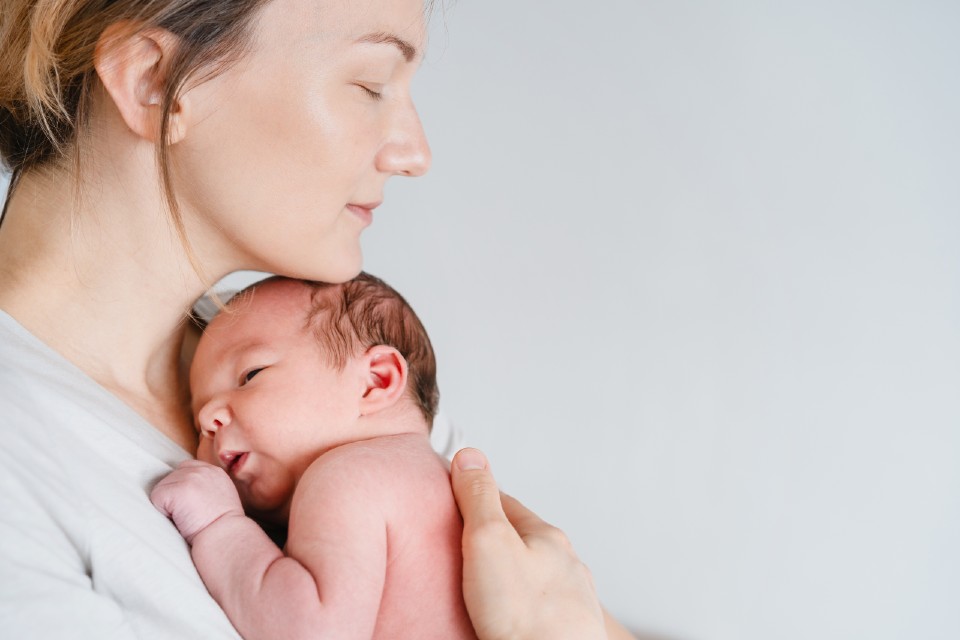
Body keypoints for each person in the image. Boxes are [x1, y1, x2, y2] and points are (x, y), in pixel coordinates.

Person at [0, 0, 632, 638]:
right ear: (154, 80)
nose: (414, 153)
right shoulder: (21, 472)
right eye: (370, 84)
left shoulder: (328, 375)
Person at [151, 273, 477, 639]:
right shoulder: (443, 481)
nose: (208, 419)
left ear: (375, 381)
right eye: (198, 422)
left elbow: (311, 631)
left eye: (249, 376)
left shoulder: (349, 475)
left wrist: (219, 525)